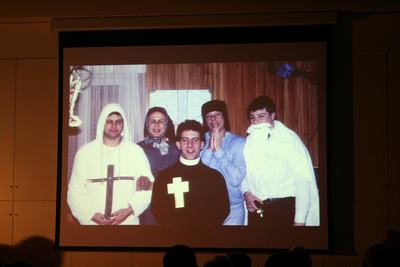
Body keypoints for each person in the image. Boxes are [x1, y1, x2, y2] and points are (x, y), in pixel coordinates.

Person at [67, 103, 154, 225]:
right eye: (109, 121)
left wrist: (128, 210)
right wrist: (90, 214)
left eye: (118, 122)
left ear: (124, 124)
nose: (114, 126)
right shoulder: (85, 153)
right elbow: (75, 191)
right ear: (102, 123)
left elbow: (146, 189)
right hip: (92, 225)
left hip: (127, 223)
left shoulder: (136, 152)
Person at [241, 96, 320, 227]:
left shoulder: (288, 139)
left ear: (272, 116)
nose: (256, 122)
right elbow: (245, 174)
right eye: (252, 118)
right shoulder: (250, 141)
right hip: (257, 209)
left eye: (261, 116)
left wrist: (299, 221)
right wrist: (247, 194)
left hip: (283, 209)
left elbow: (303, 181)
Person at [151, 120, 230, 226]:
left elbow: (222, 210)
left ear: (202, 144)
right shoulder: (163, 178)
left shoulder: (215, 178)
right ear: (178, 144)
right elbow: (158, 210)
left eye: (195, 140)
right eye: (185, 140)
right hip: (175, 237)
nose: (190, 145)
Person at [200, 100, 246, 225]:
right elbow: (197, 176)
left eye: (217, 114)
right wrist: (210, 149)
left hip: (234, 209)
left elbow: (236, 179)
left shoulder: (239, 143)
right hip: (205, 208)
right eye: (209, 116)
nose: (213, 119)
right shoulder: (199, 142)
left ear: (224, 117)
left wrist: (219, 150)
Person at [137, 107, 180, 225]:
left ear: (166, 125)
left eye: (161, 121)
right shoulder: (136, 149)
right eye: (152, 121)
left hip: (168, 203)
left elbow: (178, 182)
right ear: (147, 124)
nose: (157, 124)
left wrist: (152, 185)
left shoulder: (176, 150)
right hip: (145, 205)